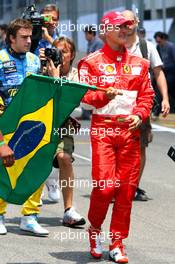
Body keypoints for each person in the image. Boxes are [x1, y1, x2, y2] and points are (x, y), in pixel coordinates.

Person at [78, 11, 154, 263]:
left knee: (125, 191)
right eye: (119, 27)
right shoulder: (90, 62)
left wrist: (140, 115)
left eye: (128, 27)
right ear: (105, 30)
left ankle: (117, 242)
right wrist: (104, 96)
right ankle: (95, 230)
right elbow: (85, 97)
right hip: (103, 131)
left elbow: (146, 96)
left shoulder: (141, 64)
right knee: (105, 187)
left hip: (130, 131)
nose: (125, 31)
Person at [0, 18, 48, 236]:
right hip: (5, 123)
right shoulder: (0, 59)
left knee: (36, 164)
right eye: (24, 37)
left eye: (30, 37)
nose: (29, 41)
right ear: (11, 38)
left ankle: (29, 216)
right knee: (4, 168)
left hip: (29, 124)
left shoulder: (34, 60)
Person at [122, 10, 170, 201]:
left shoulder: (146, 47)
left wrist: (165, 98)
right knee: (119, 147)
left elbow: (158, 73)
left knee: (140, 147)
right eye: (124, 23)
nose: (127, 25)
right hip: (118, 105)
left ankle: (133, 187)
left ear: (136, 23)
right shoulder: (115, 45)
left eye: (130, 22)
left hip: (142, 105)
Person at [39, 36, 86, 227]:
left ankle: (68, 210)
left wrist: (56, 79)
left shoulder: (76, 76)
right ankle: (28, 211)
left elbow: (74, 105)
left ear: (72, 55)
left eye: (64, 51)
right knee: (36, 162)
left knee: (65, 158)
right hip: (41, 126)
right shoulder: (41, 71)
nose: (60, 55)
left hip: (62, 126)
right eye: (56, 51)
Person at [35, 3, 61, 203]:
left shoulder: (58, 38)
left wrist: (49, 40)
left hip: (53, 94)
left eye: (51, 18)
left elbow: (65, 56)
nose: (48, 22)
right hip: (33, 93)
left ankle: (51, 184)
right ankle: (37, 186)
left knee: (51, 146)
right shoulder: (31, 36)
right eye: (44, 18)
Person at [154, 31, 175, 113]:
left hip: (171, 70)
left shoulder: (171, 47)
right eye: (157, 42)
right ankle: (158, 108)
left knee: (169, 85)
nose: (158, 43)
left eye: (159, 41)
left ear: (164, 39)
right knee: (157, 86)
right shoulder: (158, 47)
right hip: (163, 70)